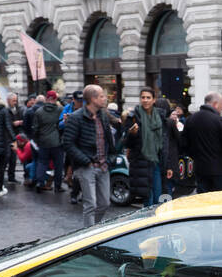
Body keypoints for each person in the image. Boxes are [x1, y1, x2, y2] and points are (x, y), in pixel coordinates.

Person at [62, 85, 119, 226]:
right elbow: (68, 143)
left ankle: (94, 230)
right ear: (93, 99)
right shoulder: (76, 118)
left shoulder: (103, 116)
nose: (105, 98)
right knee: (90, 204)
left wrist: (110, 158)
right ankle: (89, 236)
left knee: (105, 203)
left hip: (103, 165)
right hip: (86, 166)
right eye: (102, 96)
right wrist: (85, 161)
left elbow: (109, 140)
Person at [123, 86, 180, 207]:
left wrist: (168, 166)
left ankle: (156, 224)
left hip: (158, 163)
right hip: (141, 164)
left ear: (154, 100)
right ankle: (148, 224)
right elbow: (127, 144)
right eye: (143, 97)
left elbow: (164, 144)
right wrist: (131, 134)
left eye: (148, 97)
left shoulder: (160, 117)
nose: (145, 100)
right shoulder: (133, 117)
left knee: (158, 198)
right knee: (148, 200)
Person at [184, 92, 222, 193]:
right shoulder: (221, 121)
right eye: (221, 105)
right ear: (215, 104)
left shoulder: (190, 120)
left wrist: (195, 157)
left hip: (200, 169)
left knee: (203, 201)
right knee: (219, 202)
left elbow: (184, 144)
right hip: (219, 170)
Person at [33, 89, 66, 192]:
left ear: (46, 99)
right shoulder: (60, 109)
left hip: (43, 141)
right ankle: (57, 186)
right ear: (55, 99)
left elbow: (35, 128)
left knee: (42, 163)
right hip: (57, 142)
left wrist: (37, 140)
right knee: (58, 165)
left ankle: (40, 182)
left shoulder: (39, 111)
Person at [5, 93, 26, 183]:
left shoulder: (18, 109)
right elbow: (6, 123)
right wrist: (13, 123)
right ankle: (3, 177)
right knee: (6, 157)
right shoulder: (5, 110)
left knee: (13, 158)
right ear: (8, 100)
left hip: (16, 136)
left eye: (16, 100)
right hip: (8, 137)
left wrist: (21, 122)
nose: (15, 102)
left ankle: (11, 177)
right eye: (13, 100)